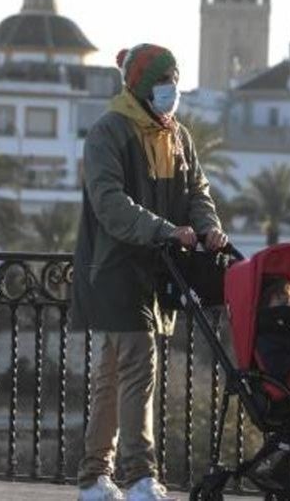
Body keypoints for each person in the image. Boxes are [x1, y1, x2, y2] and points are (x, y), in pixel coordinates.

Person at [72, 44, 227, 501]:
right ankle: (140, 476)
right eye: (163, 81)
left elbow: (196, 188)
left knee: (112, 376)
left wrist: (208, 228)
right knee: (139, 367)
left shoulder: (176, 135)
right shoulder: (109, 132)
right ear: (141, 86)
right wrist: (163, 230)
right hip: (115, 267)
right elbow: (109, 203)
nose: (171, 90)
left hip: (156, 269)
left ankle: (93, 475)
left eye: (175, 80)